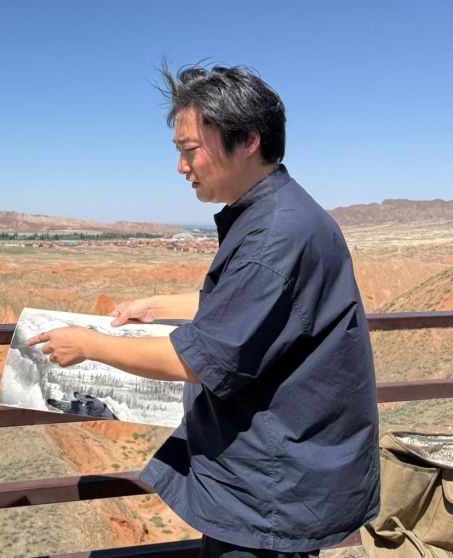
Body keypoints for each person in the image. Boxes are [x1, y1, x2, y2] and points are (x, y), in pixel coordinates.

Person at [28, 64, 380, 557]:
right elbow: (253, 308)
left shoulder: (273, 236)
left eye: (189, 149)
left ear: (248, 140)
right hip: (278, 477)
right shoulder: (282, 214)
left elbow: (199, 359)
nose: (181, 166)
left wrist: (89, 345)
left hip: (270, 490)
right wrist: (157, 305)